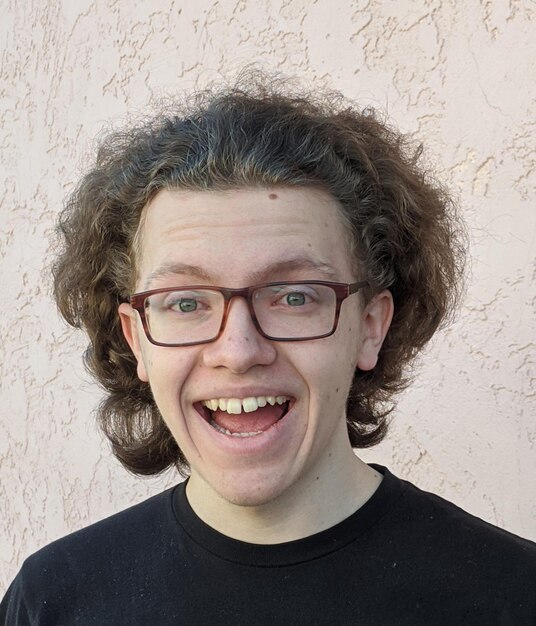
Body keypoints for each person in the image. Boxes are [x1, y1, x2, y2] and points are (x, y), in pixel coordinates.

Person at [1, 76, 535, 625]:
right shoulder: (53, 600)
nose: (237, 350)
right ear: (136, 337)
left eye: (294, 296)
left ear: (370, 327)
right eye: (186, 303)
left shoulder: (513, 596)